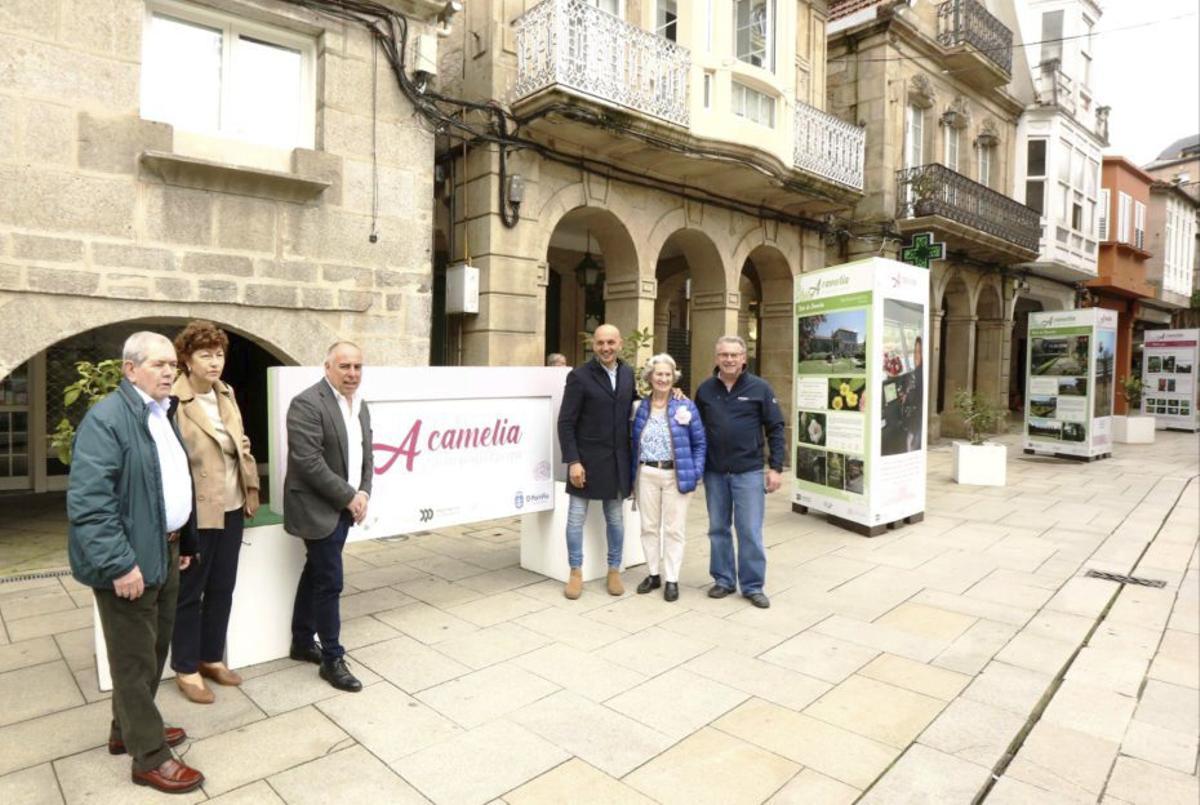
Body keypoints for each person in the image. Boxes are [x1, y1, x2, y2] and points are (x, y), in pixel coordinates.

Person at [66, 332, 204, 793]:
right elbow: (90, 504)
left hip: (163, 549)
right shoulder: (107, 419)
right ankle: (148, 757)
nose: (170, 372)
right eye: (159, 364)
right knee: (133, 661)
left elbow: (168, 483)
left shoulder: (161, 413)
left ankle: (125, 730)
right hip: (129, 559)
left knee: (152, 651)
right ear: (130, 369)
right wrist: (120, 564)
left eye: (173, 365)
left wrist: (183, 538)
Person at [169, 321, 260, 704]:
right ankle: (186, 668)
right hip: (198, 511)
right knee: (191, 592)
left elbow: (237, 443)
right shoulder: (174, 399)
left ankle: (210, 657)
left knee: (223, 586)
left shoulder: (227, 393)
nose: (214, 362)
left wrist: (250, 481)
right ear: (187, 360)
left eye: (219, 354)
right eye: (205, 354)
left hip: (232, 505)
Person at [285, 341, 372, 693]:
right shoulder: (306, 403)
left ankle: (302, 641)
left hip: (346, 506)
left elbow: (368, 452)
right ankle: (332, 658)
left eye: (357, 367)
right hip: (317, 508)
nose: (352, 374)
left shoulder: (360, 404)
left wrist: (364, 491)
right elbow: (308, 463)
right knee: (330, 581)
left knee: (317, 572)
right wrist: (349, 496)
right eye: (345, 366)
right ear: (327, 368)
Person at [694, 335, 785, 609]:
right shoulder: (705, 390)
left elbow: (776, 428)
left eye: (734, 355)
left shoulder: (760, 388)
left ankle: (753, 585)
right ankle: (723, 580)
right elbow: (695, 428)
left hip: (748, 471)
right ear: (716, 358)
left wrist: (776, 467)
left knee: (749, 530)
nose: (729, 359)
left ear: (744, 358)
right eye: (724, 355)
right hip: (715, 472)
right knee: (718, 528)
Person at [556, 323, 635, 599]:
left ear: (620, 344)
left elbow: (634, 406)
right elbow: (566, 422)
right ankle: (575, 571)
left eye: (611, 342)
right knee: (576, 518)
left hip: (616, 462)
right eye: (601, 343)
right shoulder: (579, 376)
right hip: (586, 462)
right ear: (594, 345)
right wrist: (573, 461)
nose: (606, 348)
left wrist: (672, 394)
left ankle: (614, 569)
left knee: (615, 519)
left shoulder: (628, 374)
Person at [630, 354, 706, 602]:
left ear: (673, 378)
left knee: (674, 530)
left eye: (667, 374)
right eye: (658, 374)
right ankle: (653, 574)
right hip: (647, 473)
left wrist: (695, 473)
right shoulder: (640, 406)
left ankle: (672, 579)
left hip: (676, 474)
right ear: (650, 377)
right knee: (648, 527)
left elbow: (700, 442)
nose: (663, 378)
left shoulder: (685, 405)